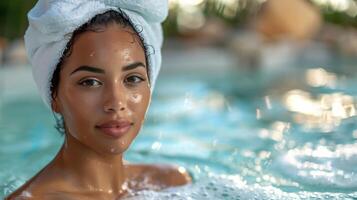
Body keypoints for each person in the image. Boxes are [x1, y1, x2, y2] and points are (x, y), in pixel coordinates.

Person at [6, 0, 191, 199]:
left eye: (132, 79)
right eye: (90, 82)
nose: (116, 103)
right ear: (54, 96)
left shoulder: (170, 182)